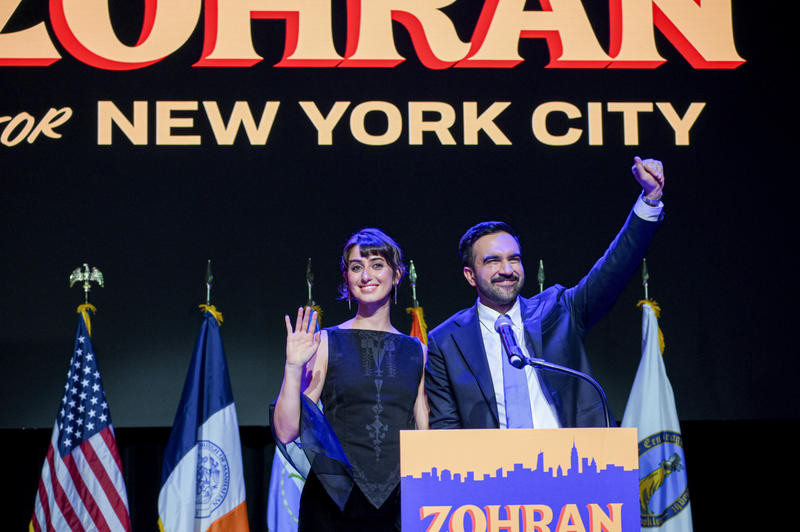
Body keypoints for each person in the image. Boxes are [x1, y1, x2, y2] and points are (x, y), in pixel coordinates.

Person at [425, 156, 665, 430]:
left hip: (572, 463)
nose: (507, 269)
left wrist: (650, 199)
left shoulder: (559, 310)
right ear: (470, 275)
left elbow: (614, 269)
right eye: (493, 261)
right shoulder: (446, 340)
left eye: (514, 259)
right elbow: (445, 427)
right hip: (491, 469)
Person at [272, 228, 428, 532]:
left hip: (397, 504)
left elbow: (425, 433)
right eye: (356, 267)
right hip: (334, 503)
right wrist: (293, 367)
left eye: (377, 265)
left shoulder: (418, 351)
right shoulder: (326, 342)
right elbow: (286, 430)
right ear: (347, 278)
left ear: (397, 275)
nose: (366, 275)